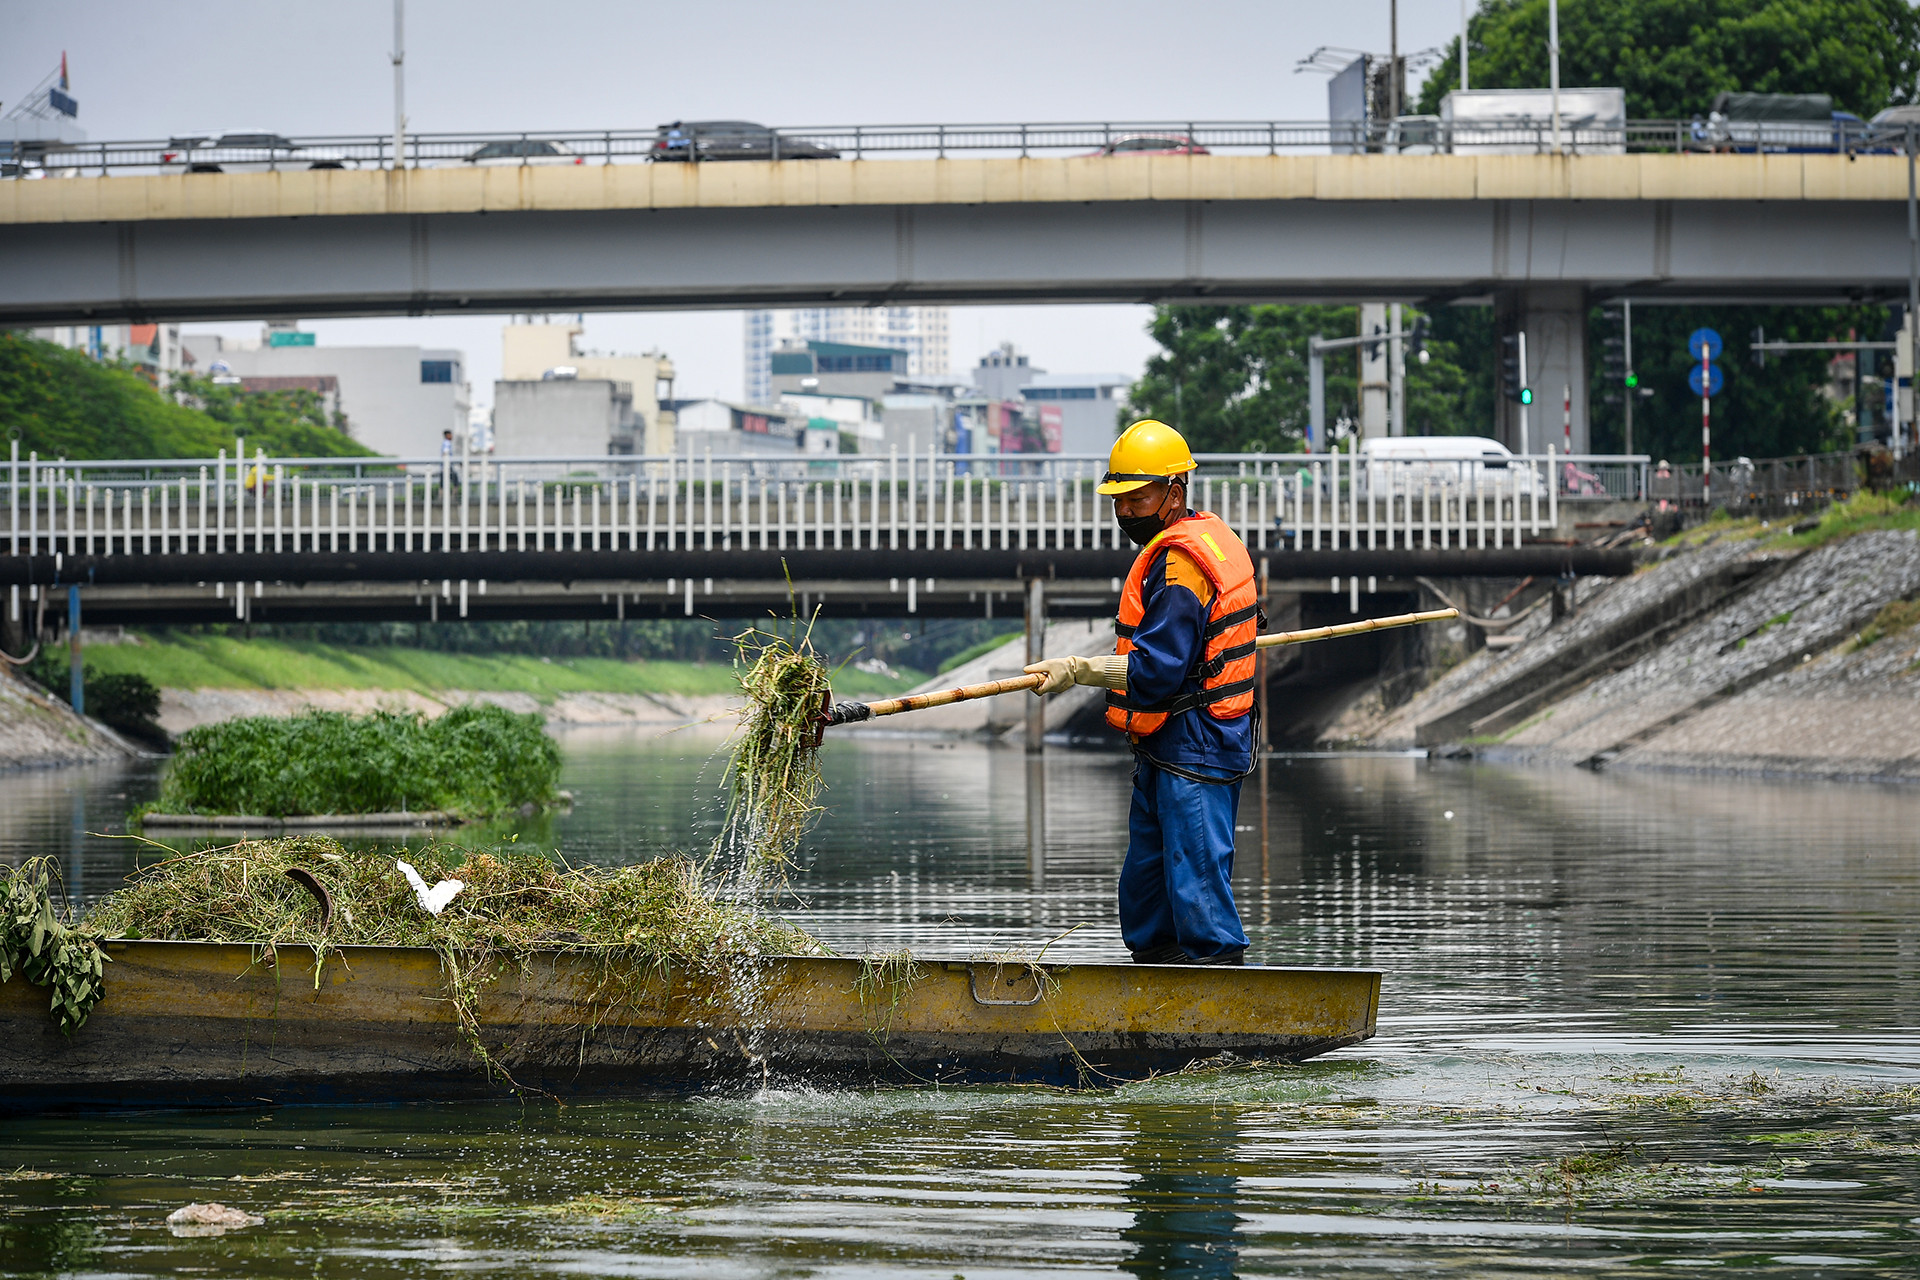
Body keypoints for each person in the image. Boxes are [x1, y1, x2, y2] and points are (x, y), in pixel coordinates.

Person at [1024, 420, 1259, 965]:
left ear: (1174, 493)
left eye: (1138, 498)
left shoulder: (1180, 564)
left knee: (1197, 884)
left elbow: (1156, 671)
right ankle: (1157, 984)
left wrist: (1079, 670)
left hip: (1195, 741)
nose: (1126, 511)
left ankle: (1222, 998)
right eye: (1119, 499)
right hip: (1165, 742)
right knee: (1147, 889)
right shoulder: (1199, 540)